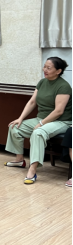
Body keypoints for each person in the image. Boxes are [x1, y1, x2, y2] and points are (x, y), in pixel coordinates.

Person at [5, 57, 72, 185]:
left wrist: (41, 124)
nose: (44, 70)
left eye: (48, 68)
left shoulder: (64, 86)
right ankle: (19, 160)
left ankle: (33, 169)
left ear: (58, 71)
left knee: (38, 133)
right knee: (15, 127)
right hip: (41, 118)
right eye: (44, 66)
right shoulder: (42, 82)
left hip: (61, 122)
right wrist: (20, 118)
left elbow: (59, 111)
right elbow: (32, 102)